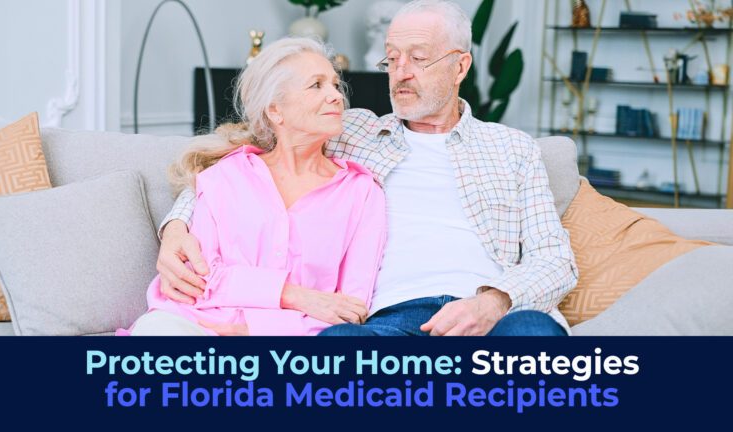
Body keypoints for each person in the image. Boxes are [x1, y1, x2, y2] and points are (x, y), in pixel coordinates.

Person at [157, 0, 578, 336]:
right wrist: (176, 227)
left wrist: (493, 303)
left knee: (534, 337)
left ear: (460, 67)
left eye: (418, 58)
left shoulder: (513, 149)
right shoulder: (352, 131)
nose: (401, 74)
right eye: (392, 60)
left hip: (494, 316)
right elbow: (246, 159)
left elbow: (556, 260)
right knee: (337, 348)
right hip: (390, 321)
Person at [118, 37, 386, 336]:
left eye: (336, 85)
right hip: (190, 325)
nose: (336, 96)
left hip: (294, 339)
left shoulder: (362, 192)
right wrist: (294, 295)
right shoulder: (225, 176)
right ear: (275, 111)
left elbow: (350, 307)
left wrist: (257, 330)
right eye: (316, 85)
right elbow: (200, 279)